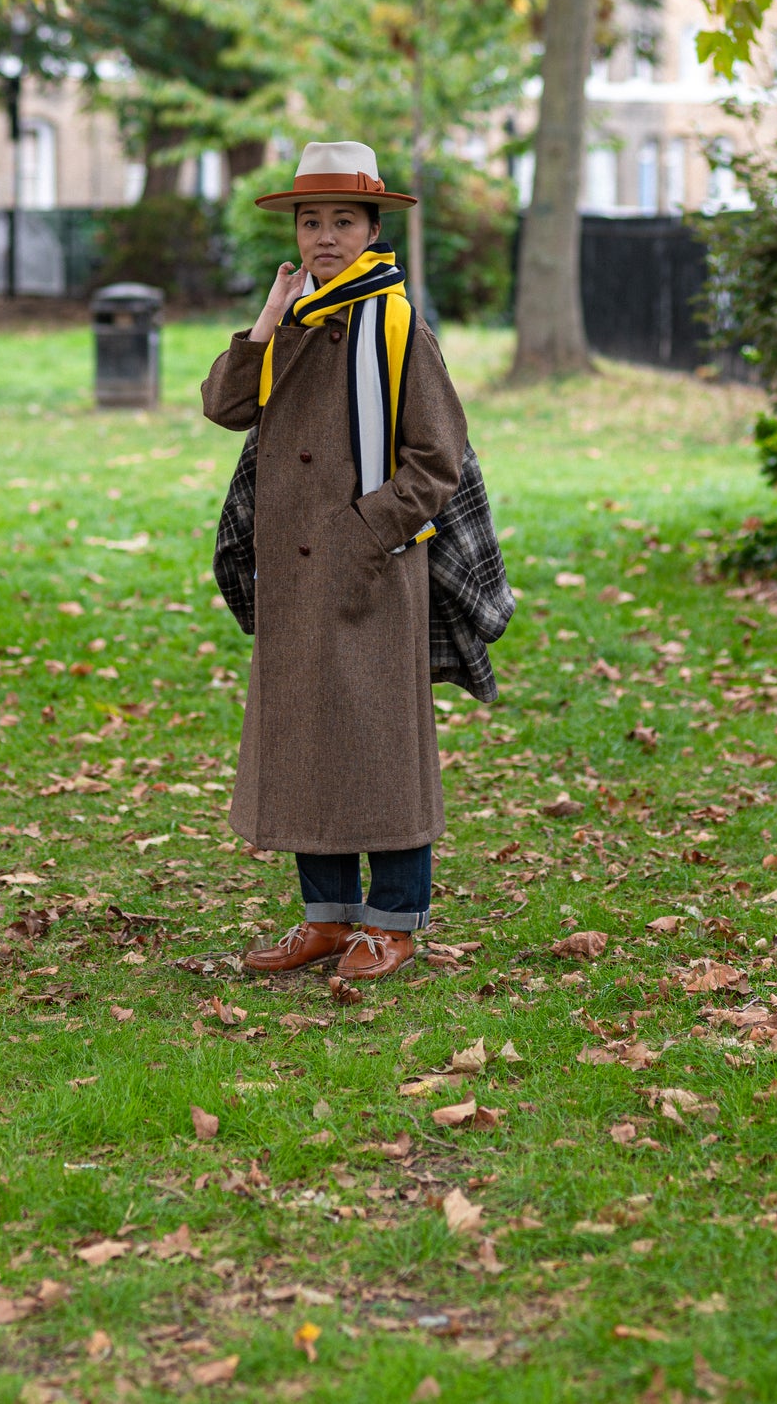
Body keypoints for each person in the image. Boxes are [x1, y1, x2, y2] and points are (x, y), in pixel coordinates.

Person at [201, 141, 469, 983]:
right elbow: (224, 405)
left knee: (378, 744)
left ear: (371, 228)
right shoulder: (298, 320)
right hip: (292, 572)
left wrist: (366, 530)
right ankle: (325, 918)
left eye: (341, 220)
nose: (323, 236)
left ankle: (391, 921)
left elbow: (438, 459)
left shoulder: (397, 326)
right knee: (306, 742)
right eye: (310, 221)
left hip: (370, 571)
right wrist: (269, 315)